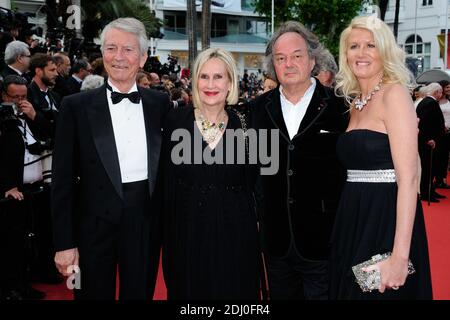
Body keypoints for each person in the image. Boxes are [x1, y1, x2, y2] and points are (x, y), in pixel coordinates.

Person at [51, 17, 170, 300]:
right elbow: (62, 181)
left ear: (142, 58)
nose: (119, 57)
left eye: (128, 50)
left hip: (144, 223)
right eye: (111, 48)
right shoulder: (75, 107)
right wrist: (64, 243)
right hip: (90, 226)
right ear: (102, 53)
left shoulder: (159, 104)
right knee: (86, 295)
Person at [330, 15, 432, 299]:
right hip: (353, 218)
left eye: (370, 45)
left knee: (374, 293)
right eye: (353, 46)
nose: (361, 53)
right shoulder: (354, 103)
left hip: (384, 220)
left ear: (384, 51)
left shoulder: (394, 94)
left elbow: (410, 179)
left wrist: (400, 256)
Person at [250, 21, 348, 300]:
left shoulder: (341, 107)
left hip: (324, 240)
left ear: (312, 60)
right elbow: (251, 169)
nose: (288, 64)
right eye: (281, 58)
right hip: (276, 242)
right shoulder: (256, 110)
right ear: (273, 65)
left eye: (296, 56)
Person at [161, 48, 261, 300]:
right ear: (194, 81)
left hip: (237, 232)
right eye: (204, 77)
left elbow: (256, 180)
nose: (210, 84)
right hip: (187, 231)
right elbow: (165, 180)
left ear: (230, 83)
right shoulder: (175, 121)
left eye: (218, 77)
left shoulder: (247, 124)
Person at [416, 83, 446, 202]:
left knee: (431, 168)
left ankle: (430, 190)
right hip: (428, 142)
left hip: (429, 141)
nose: (441, 94)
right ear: (436, 92)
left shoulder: (427, 102)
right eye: (440, 92)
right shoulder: (429, 103)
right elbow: (424, 123)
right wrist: (429, 138)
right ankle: (426, 193)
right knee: (428, 168)